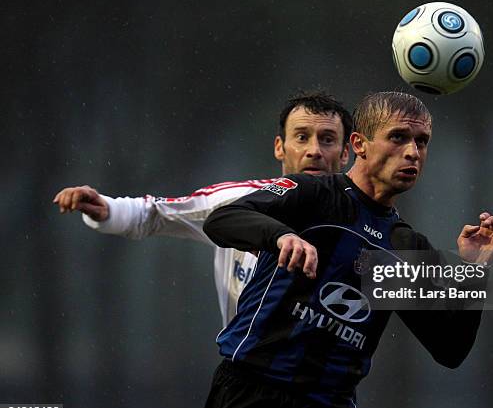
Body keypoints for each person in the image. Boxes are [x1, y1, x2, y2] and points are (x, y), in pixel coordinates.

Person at [202, 91, 493, 408]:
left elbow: (450, 349)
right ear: (359, 144)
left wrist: (473, 271)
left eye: (422, 142)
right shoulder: (312, 194)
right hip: (250, 399)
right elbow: (221, 220)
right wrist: (282, 236)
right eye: (398, 137)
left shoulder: (404, 247)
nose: (412, 152)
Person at [52, 92, 352, 326]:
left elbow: (397, 301)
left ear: (344, 154)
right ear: (279, 147)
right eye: (301, 137)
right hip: (250, 386)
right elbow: (157, 215)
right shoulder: (238, 202)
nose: (314, 150)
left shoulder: (371, 225)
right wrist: (106, 209)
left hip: (330, 394)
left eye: (327, 140)